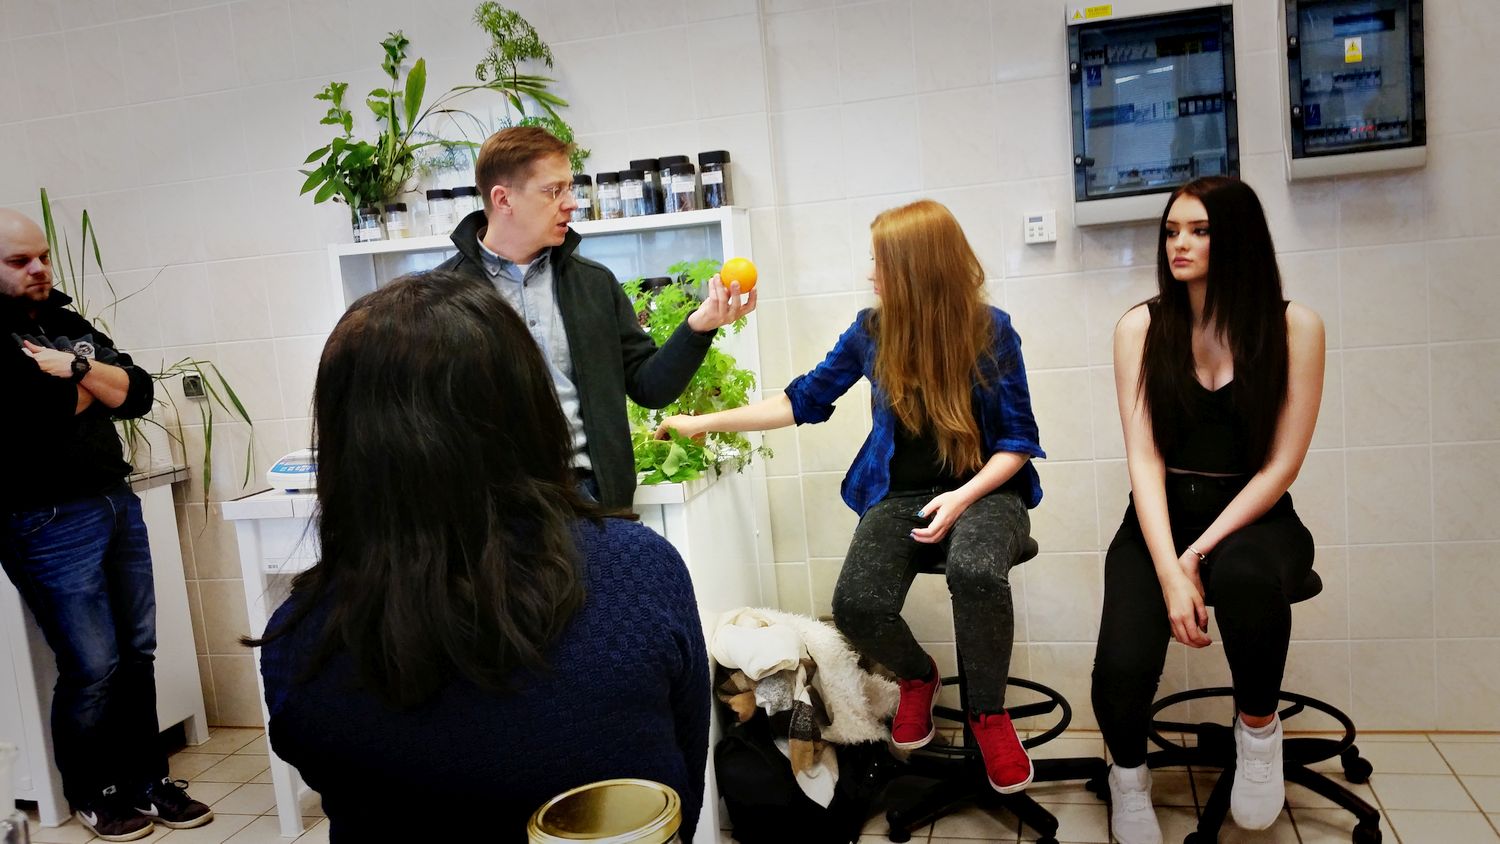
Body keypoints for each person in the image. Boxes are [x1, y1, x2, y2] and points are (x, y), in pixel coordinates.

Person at [251, 271, 711, 841]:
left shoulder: (297, 644)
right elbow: (679, 795)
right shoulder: (638, 574)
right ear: (530, 408)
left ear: (345, 441)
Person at [658, 199, 1045, 794]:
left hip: (988, 490)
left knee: (974, 569)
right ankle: (918, 677)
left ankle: (988, 716)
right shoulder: (872, 332)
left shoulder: (991, 330)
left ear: (917, 268)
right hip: (899, 494)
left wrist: (961, 497)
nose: (871, 274)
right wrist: (702, 424)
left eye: (880, 262)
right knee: (857, 605)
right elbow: (801, 401)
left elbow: (1017, 441)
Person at [1091, 176, 1325, 844]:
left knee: (1245, 577)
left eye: (1199, 230)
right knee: (1121, 666)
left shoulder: (1295, 327)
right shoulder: (1140, 328)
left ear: (1239, 239)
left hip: (1256, 516)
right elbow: (1144, 460)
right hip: (1162, 516)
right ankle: (1128, 780)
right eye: (1172, 231)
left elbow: (1281, 466)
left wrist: (1198, 555)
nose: (1180, 244)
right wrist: (1171, 567)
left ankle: (1259, 733)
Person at [0, 209, 213, 841]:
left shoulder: (63, 321)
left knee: (137, 652)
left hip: (114, 499)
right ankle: (95, 793)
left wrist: (72, 368)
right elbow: (38, 411)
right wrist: (93, 381)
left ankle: (147, 781)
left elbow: (139, 392)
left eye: (42, 256)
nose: (39, 268)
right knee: (92, 664)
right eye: (20, 261)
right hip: (44, 517)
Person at [435, 126, 755, 509]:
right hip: (495, 512)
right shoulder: (443, 298)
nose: (571, 203)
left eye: (569, 188)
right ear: (503, 199)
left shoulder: (594, 284)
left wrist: (699, 326)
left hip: (593, 500)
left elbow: (650, 387)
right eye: (553, 191)